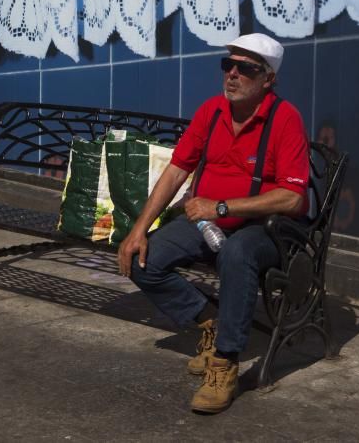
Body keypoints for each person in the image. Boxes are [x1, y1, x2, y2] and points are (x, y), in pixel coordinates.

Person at [117, 33, 309, 414]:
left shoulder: (285, 119)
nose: (233, 75)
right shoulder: (213, 111)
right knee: (144, 259)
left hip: (265, 230)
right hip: (207, 222)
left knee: (237, 253)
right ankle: (211, 323)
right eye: (228, 65)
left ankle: (225, 363)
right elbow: (175, 171)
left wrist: (220, 207)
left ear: (268, 79)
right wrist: (138, 229)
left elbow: (292, 197)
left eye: (246, 69)